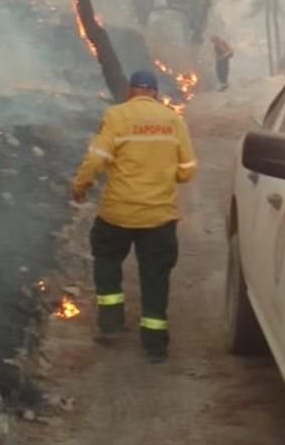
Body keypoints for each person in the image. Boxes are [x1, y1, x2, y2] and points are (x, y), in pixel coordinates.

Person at [71, 70, 198, 363]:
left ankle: (111, 325)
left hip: (118, 212)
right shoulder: (173, 120)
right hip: (159, 217)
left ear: (131, 92)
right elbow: (188, 169)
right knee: (155, 276)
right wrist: (166, 175)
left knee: (107, 262)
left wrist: (81, 186)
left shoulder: (116, 116)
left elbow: (96, 159)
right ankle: (155, 344)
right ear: (154, 93)